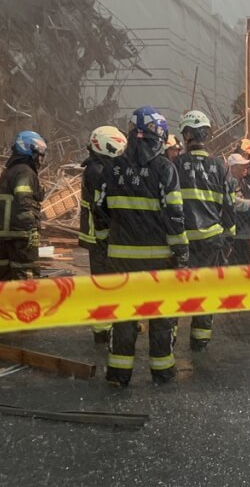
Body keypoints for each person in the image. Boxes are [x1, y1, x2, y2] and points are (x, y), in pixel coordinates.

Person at [96, 106, 188, 387]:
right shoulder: (164, 169)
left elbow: (100, 212)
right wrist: (180, 252)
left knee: (123, 316)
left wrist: (105, 243)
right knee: (160, 317)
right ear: (158, 136)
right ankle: (162, 372)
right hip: (158, 261)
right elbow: (174, 215)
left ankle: (118, 375)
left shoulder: (111, 168)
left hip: (120, 259)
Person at [174, 110, 234, 352]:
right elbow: (228, 207)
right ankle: (200, 342)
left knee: (175, 291)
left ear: (187, 135)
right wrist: (228, 236)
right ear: (206, 134)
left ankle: (170, 338)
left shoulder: (175, 165)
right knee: (205, 292)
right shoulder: (219, 167)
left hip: (182, 242)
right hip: (211, 240)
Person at [79, 125, 127, 345]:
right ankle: (103, 330)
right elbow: (104, 207)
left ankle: (107, 325)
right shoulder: (97, 171)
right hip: (99, 235)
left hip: (98, 233)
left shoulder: (96, 167)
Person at [0, 131, 46, 281]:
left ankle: (1, 304)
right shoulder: (25, 172)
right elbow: (25, 202)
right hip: (20, 235)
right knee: (26, 277)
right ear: (29, 150)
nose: (41, 159)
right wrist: (31, 230)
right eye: (39, 154)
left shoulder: (9, 171)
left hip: (4, 235)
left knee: (4, 277)